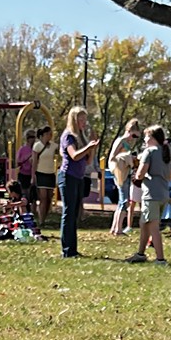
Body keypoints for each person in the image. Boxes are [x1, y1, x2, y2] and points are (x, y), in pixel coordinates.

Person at [127, 125, 171, 264]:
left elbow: (140, 174)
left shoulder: (149, 152)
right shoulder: (166, 152)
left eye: (146, 136)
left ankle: (160, 259)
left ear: (152, 138)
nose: (144, 139)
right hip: (163, 194)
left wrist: (136, 176)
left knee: (153, 227)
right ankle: (140, 254)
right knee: (144, 223)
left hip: (151, 194)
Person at [56, 107, 98, 258]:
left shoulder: (81, 137)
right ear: (74, 120)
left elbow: (88, 161)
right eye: (81, 120)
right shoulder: (68, 136)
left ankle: (72, 249)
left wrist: (92, 147)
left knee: (75, 214)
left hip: (79, 178)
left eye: (85, 120)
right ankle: (67, 250)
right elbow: (74, 155)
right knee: (68, 213)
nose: (84, 123)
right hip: (68, 176)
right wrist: (88, 147)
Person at [108, 119, 141, 235]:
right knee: (125, 201)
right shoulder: (121, 141)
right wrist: (127, 157)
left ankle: (114, 228)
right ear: (128, 131)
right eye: (133, 135)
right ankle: (118, 229)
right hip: (119, 172)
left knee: (121, 201)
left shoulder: (128, 143)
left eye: (136, 137)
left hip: (126, 171)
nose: (133, 139)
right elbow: (112, 157)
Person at [32, 126, 57, 228]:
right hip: (41, 173)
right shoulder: (37, 146)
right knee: (43, 198)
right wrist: (33, 175)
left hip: (50, 174)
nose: (49, 136)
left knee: (49, 198)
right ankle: (41, 220)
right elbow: (34, 161)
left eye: (51, 134)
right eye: (47, 134)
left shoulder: (54, 146)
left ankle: (45, 217)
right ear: (42, 135)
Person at [14, 135, 36, 200]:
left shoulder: (35, 149)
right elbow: (18, 161)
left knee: (31, 191)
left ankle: (28, 203)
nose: (33, 139)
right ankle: (23, 203)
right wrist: (25, 159)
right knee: (23, 191)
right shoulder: (22, 149)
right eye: (31, 137)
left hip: (32, 173)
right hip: (22, 172)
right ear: (28, 139)